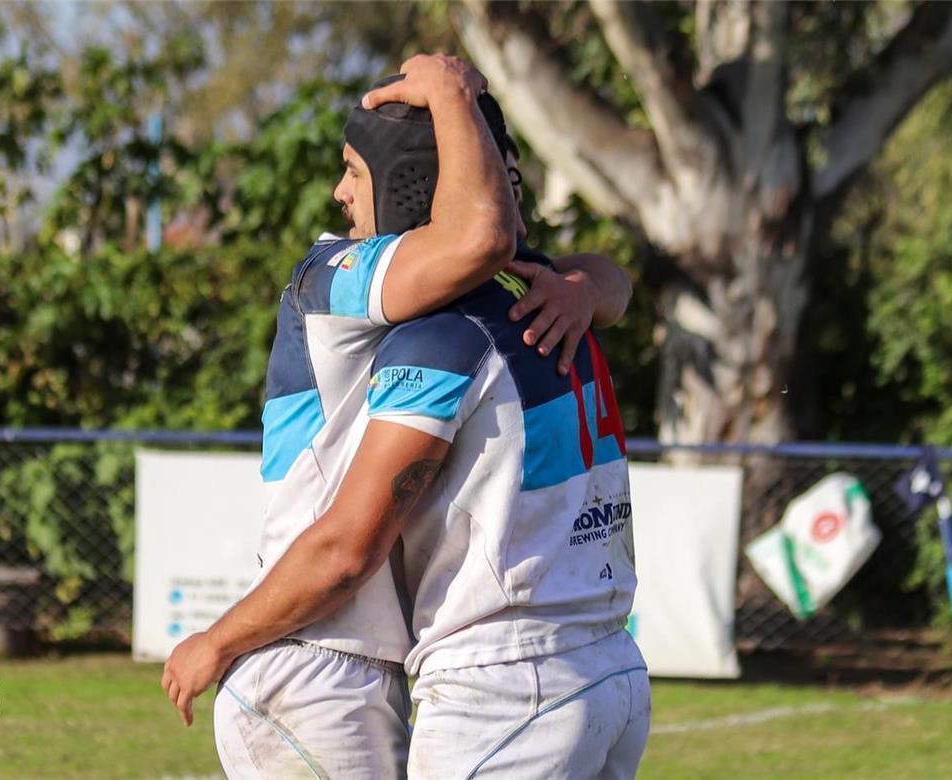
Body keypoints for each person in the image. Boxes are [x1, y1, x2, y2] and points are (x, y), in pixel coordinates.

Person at [159, 54, 636, 778]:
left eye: (353, 170)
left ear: (410, 182)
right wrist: (587, 285)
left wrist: (447, 92)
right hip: (317, 656)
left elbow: (490, 240)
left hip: (458, 674)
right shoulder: (326, 280)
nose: (337, 192)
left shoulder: (464, 322)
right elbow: (542, 256)